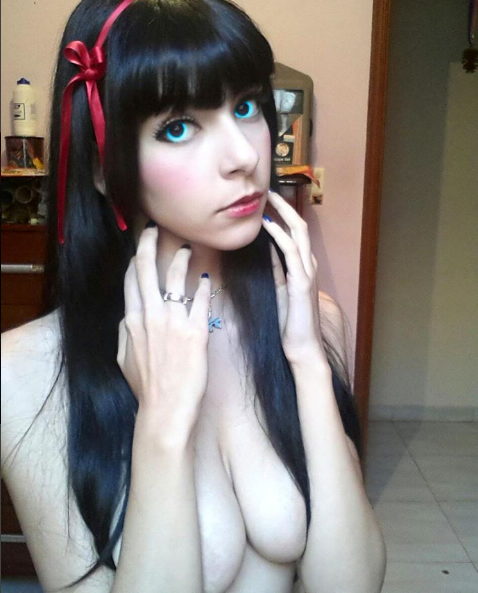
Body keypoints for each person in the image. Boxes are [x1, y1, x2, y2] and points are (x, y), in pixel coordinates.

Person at [1, 1, 387, 592]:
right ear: (103, 168)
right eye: (178, 127)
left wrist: (309, 362)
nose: (245, 157)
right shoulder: (22, 372)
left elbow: (351, 586)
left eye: (246, 106)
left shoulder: (314, 323)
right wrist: (162, 425)